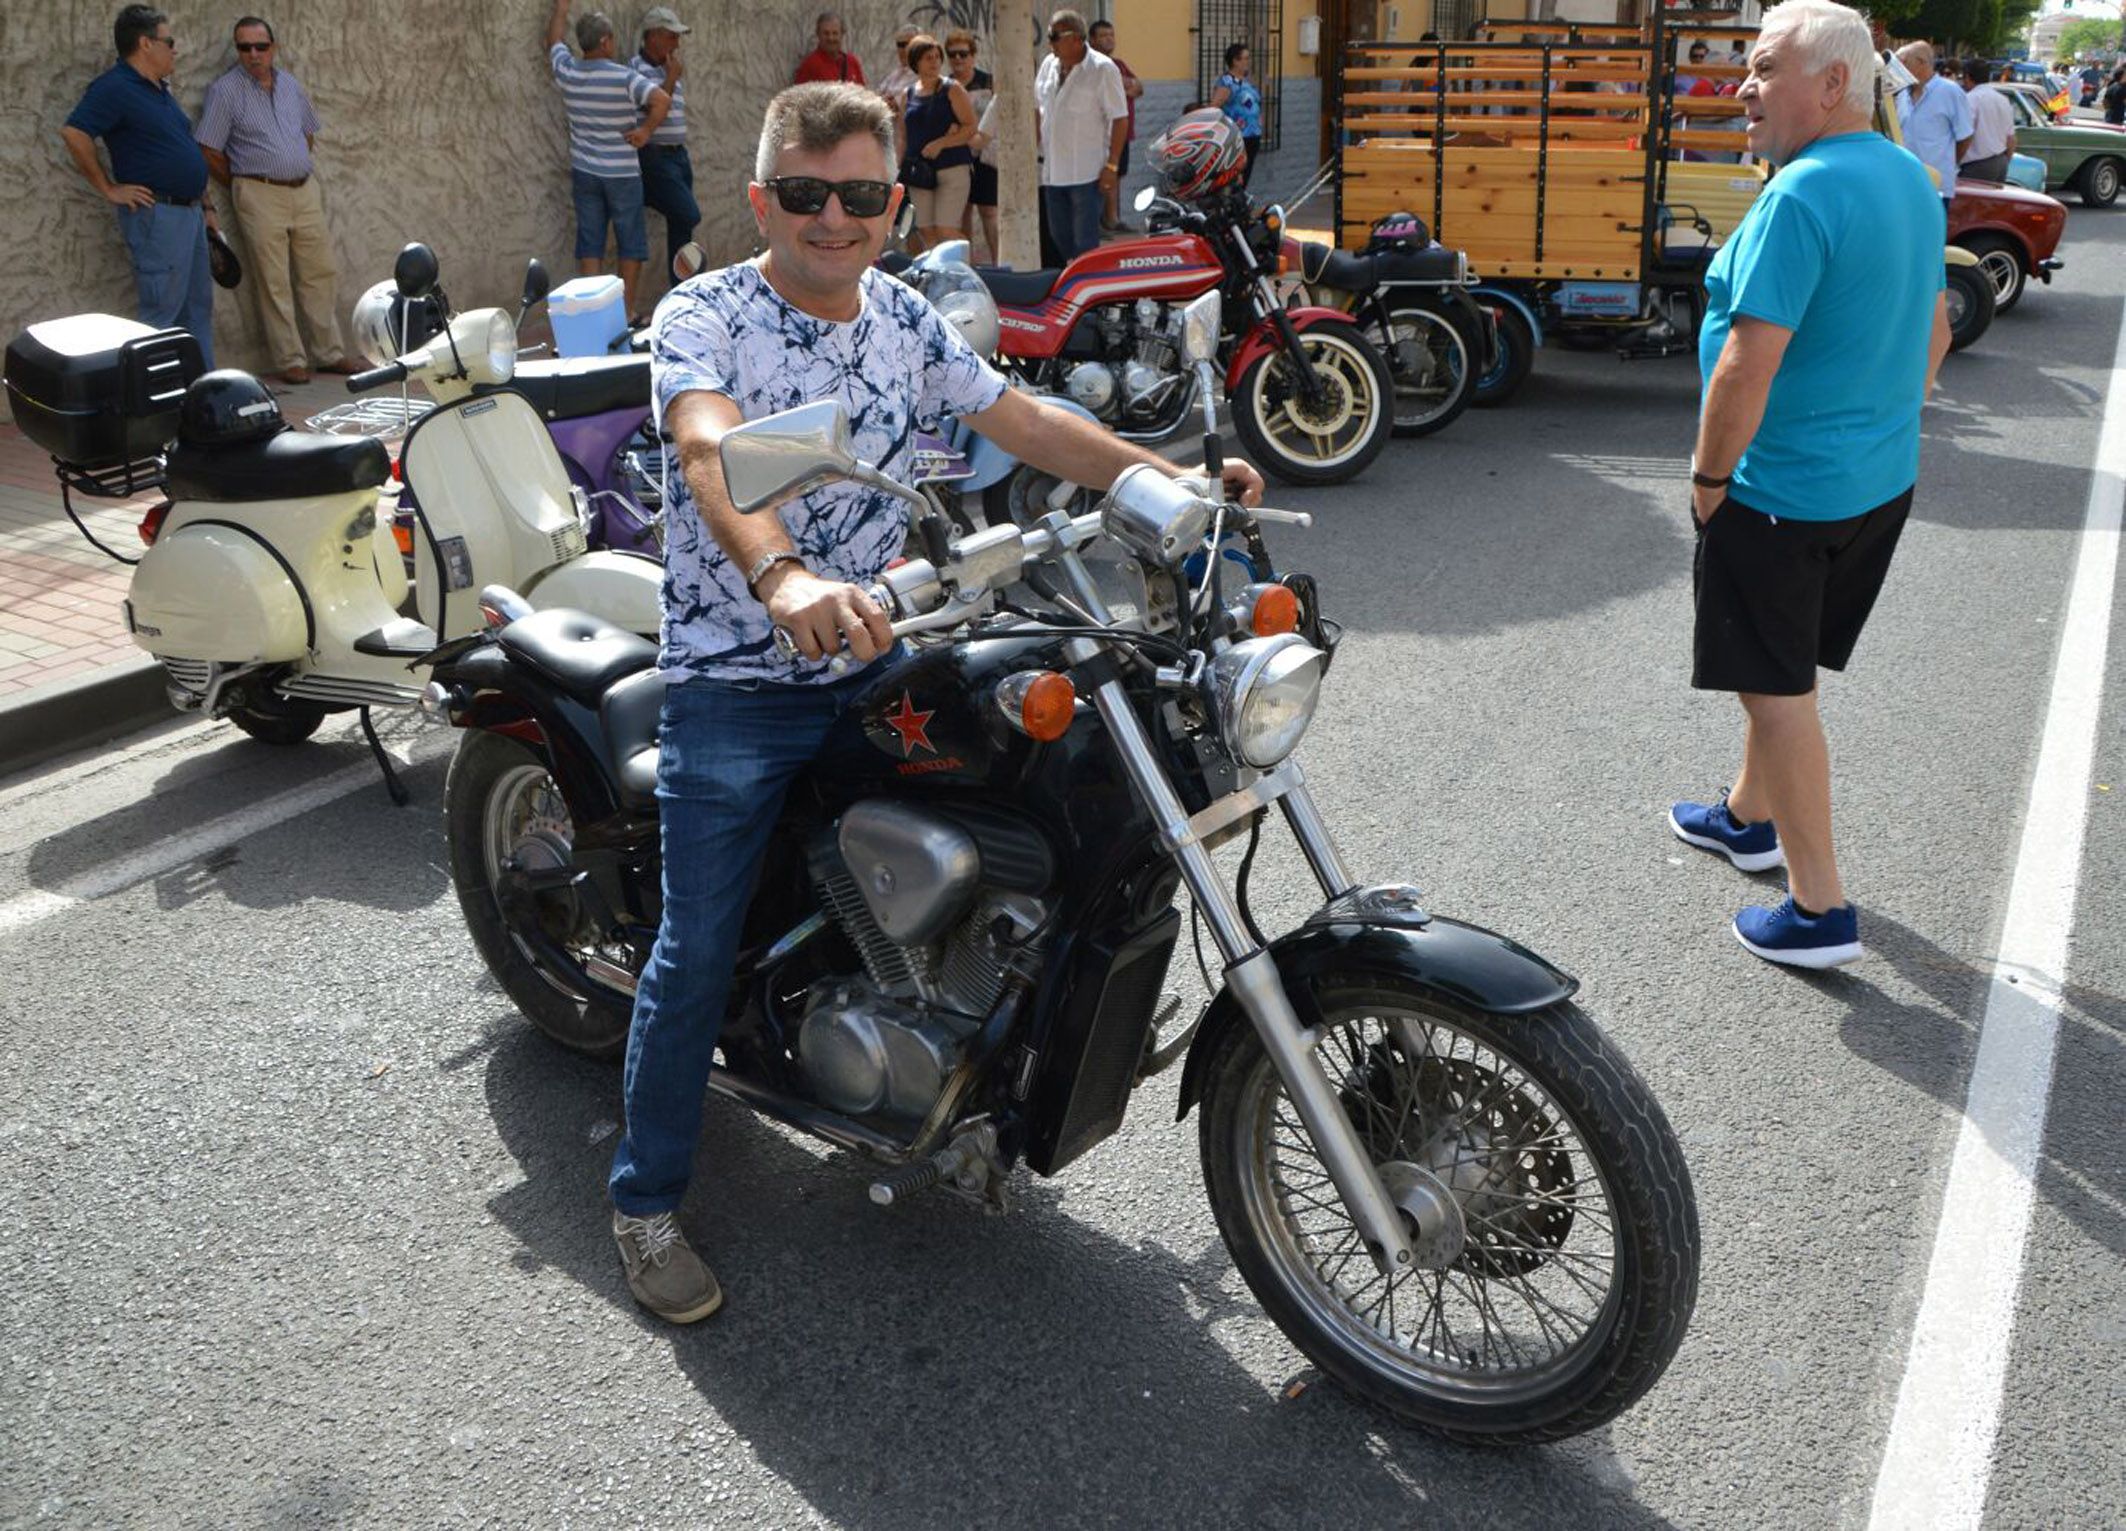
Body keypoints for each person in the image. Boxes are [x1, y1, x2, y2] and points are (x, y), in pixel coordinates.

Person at [608, 81, 1265, 1321]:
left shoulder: (903, 314)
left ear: (890, 202)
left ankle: (967, 1053)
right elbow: (705, 446)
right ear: (763, 200)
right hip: (739, 676)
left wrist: (1166, 480)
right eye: (805, 194)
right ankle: (643, 1204)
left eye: (859, 194)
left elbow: (1021, 416)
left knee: (1045, 788)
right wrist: (781, 569)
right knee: (692, 948)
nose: (834, 217)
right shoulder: (705, 313)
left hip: (887, 644)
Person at [1671, 0, 1949, 969]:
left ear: (1832, 84)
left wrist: (1709, 479)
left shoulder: (1799, 195)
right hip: (1875, 483)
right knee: (1777, 671)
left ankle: (1818, 907)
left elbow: (1744, 366)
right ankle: (1746, 817)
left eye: (1762, 68)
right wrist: (1875, 412)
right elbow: (1934, 329)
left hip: (1780, 492)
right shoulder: (1908, 178)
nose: (1741, 87)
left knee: (1774, 692)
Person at [194, 15, 353, 384]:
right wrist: (243, 180)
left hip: (303, 189)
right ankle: (290, 359)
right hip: (258, 192)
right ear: (238, 50)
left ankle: (329, 353)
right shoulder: (225, 91)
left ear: (273, 48)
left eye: (260, 46)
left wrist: (290, 161)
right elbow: (207, 148)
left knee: (320, 272)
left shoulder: (290, 86)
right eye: (244, 47)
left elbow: (307, 134)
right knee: (273, 279)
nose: (252, 54)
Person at [61, 5, 220, 368]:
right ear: (146, 43)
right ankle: (155, 406)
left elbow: (183, 150)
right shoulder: (114, 87)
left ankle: (203, 398)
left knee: (197, 310)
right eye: (170, 41)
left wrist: (207, 207)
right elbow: (74, 132)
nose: (175, 50)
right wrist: (109, 188)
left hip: (190, 213)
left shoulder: (159, 92)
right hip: (158, 216)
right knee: (161, 315)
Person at [546, 2, 669, 324]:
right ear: (605, 42)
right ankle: (625, 314)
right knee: (630, 243)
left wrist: (560, 11)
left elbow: (555, 43)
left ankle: (592, 315)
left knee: (591, 243)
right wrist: (644, 131)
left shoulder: (568, 72)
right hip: (623, 174)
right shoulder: (624, 77)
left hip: (585, 171)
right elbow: (662, 100)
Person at [1034, 9, 1128, 261]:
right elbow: (1037, 109)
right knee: (1059, 238)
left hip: (1086, 175)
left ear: (1076, 38)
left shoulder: (1102, 69)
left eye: (1054, 36)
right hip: (1052, 174)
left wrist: (1112, 165)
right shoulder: (1048, 65)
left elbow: (1120, 118)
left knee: (1085, 245)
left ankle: (1091, 294)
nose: (1049, 42)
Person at [630, 6, 698, 289]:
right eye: (671, 37)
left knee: (681, 226)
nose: (676, 44)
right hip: (655, 156)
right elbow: (653, 108)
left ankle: (682, 287)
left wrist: (670, 74)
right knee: (688, 213)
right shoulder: (636, 68)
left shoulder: (667, 66)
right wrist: (670, 78)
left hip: (677, 155)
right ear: (653, 36)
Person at [901, 34, 976, 250]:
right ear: (916, 62)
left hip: (952, 168)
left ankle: (966, 273)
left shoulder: (952, 89)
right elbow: (903, 135)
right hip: (919, 171)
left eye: (936, 57)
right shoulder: (908, 94)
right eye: (928, 58)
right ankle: (937, 277)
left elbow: (970, 127)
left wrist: (941, 143)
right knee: (926, 229)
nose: (934, 62)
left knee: (946, 229)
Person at [1893, 42, 1971, 200]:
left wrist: (1947, 165)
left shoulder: (1950, 91)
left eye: (1903, 62)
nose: (1898, 67)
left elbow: (1965, 137)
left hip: (1936, 187)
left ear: (1921, 63)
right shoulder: (1902, 95)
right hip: (1904, 184)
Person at [947, 30, 998, 258]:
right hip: (958, 156)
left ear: (973, 55)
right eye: (952, 54)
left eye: (963, 53)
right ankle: (967, 267)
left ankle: (1000, 262)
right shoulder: (945, 86)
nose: (958, 59)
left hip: (986, 156)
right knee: (961, 213)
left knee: (989, 211)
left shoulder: (989, 81)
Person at [1089, 19, 1142, 232]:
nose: (1109, 39)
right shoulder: (1092, 66)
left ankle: (1112, 218)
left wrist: (1124, 87)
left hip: (1123, 132)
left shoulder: (1119, 64)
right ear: (1092, 40)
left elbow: (1139, 88)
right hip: (1103, 133)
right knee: (1100, 175)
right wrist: (1124, 86)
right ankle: (1100, 221)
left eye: (1111, 35)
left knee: (1116, 175)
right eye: (1103, 35)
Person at [1209, 41, 1264, 186]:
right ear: (1235, 61)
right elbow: (1214, 108)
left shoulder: (1246, 82)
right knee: (1236, 180)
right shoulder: (1227, 83)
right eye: (1245, 58)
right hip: (1237, 139)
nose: (1248, 62)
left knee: (1245, 178)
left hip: (1252, 136)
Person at [1956, 56, 2015, 183]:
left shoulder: (1970, 99)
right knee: (1993, 202)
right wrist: (2004, 162)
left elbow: (1966, 136)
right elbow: (2011, 138)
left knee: (1969, 203)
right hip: (2000, 162)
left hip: (1976, 166)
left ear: (1967, 77)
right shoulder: (2003, 99)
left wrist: (1955, 162)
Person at [794, 11, 864, 86]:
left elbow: (863, 94)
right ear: (818, 34)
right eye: (826, 33)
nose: (831, 38)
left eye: (835, 33)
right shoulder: (810, 65)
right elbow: (798, 96)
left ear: (842, 34)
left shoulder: (852, 62)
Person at [876, 23, 921, 116]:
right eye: (900, 45)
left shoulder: (924, 75)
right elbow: (875, 96)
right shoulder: (894, 74)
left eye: (909, 44)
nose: (904, 49)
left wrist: (891, 102)